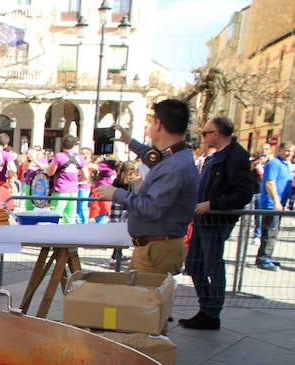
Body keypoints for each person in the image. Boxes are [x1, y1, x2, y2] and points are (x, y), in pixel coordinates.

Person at [96, 99, 198, 276]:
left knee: (139, 301)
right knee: (131, 299)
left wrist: (116, 194)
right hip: (153, 247)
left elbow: (152, 208)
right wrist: (130, 141)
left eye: (152, 121)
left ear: (159, 124)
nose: (150, 125)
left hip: (157, 250)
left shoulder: (174, 165)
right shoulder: (176, 158)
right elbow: (156, 159)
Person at [177, 117, 253, 330]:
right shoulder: (216, 156)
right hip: (203, 219)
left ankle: (212, 312)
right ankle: (207, 308)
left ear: (216, 134)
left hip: (215, 221)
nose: (204, 136)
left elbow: (243, 193)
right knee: (194, 264)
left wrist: (212, 204)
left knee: (212, 265)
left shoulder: (236, 156)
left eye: (205, 133)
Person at [255, 141, 293, 271]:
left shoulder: (285, 165)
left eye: (292, 151)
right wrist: (276, 201)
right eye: (287, 150)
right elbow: (270, 182)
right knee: (270, 231)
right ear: (280, 150)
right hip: (271, 205)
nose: (289, 154)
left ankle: (267, 256)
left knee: (274, 231)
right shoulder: (274, 164)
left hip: (279, 205)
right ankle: (263, 259)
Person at [47, 135, 86, 223]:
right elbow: (86, 175)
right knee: (70, 216)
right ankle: (70, 235)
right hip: (73, 190)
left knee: (56, 215)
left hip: (60, 189)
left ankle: (55, 235)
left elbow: (50, 172)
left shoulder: (59, 156)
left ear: (62, 144)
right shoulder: (80, 157)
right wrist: (77, 181)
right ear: (74, 145)